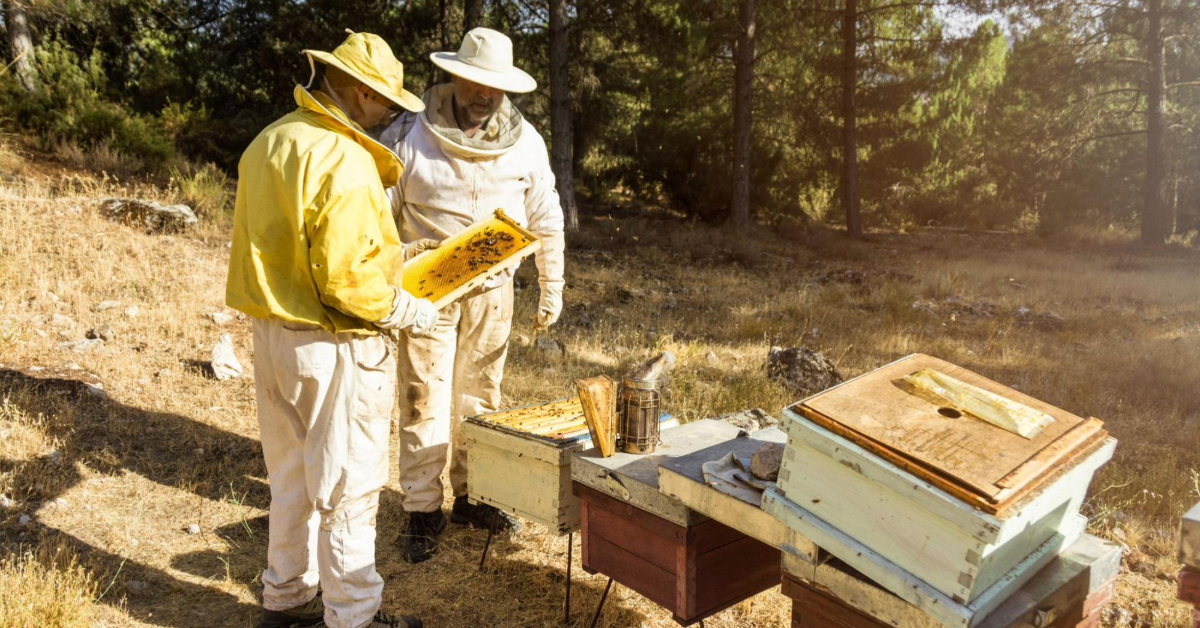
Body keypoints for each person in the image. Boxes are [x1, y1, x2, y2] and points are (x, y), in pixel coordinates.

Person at [225, 31, 436, 628]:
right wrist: (406, 308)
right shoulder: (343, 158)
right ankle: (355, 617)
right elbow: (346, 282)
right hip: (333, 345)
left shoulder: (271, 140)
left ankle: (287, 601)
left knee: (290, 479)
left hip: (272, 338)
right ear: (356, 92)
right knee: (349, 489)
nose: (392, 113)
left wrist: (400, 256)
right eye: (386, 101)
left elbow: (300, 245)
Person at [382, 27, 566, 564]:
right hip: (427, 292)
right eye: (474, 82)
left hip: (493, 290)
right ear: (454, 76)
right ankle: (421, 508)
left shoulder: (527, 142)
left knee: (480, 395)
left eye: (494, 87)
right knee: (423, 397)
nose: (483, 95)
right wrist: (392, 271)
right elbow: (378, 215)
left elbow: (546, 215)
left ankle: (474, 496)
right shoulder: (409, 134)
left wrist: (551, 283)